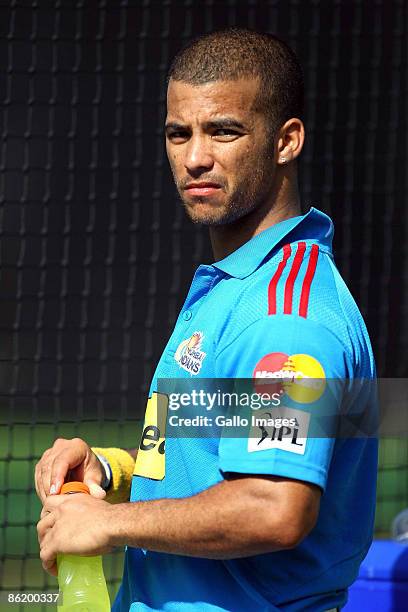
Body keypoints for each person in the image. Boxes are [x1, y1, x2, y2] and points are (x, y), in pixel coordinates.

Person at [35, 29, 378, 611]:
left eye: (224, 130)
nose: (195, 157)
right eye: (179, 133)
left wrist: (108, 524)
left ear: (286, 140)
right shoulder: (239, 286)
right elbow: (210, 448)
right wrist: (112, 473)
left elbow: (274, 507)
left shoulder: (284, 314)